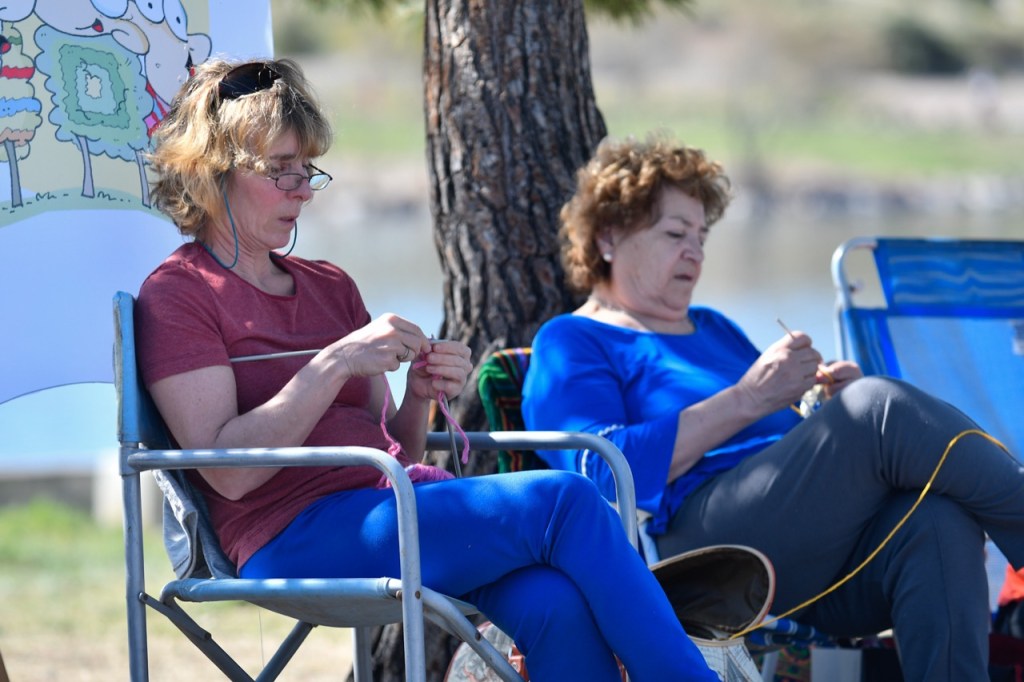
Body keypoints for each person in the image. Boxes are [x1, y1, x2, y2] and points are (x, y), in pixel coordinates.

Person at [134, 58, 718, 682]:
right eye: (280, 171)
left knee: (554, 603)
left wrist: (418, 396)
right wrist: (333, 364)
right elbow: (229, 477)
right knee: (566, 499)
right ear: (211, 170)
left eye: (306, 170)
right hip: (289, 537)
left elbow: (396, 448)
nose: (301, 190)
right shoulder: (180, 295)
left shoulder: (330, 286)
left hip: (392, 506)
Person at [521, 134, 1024, 681]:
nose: (694, 252)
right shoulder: (573, 340)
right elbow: (601, 471)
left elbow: (775, 441)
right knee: (878, 408)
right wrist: (754, 397)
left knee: (936, 520)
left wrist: (821, 407)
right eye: (674, 234)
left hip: (803, 553)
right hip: (697, 558)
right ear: (610, 237)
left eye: (701, 236)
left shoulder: (713, 327)